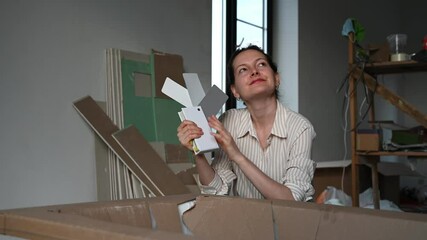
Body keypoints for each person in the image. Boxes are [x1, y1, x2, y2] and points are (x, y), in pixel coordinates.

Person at [177, 45, 316, 201]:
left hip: (290, 222)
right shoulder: (229, 121)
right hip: (245, 221)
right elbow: (215, 191)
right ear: (235, 91)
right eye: (243, 69)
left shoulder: (301, 128)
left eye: (261, 64)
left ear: (276, 79)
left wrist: (238, 156)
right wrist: (199, 151)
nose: (254, 71)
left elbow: (292, 199)